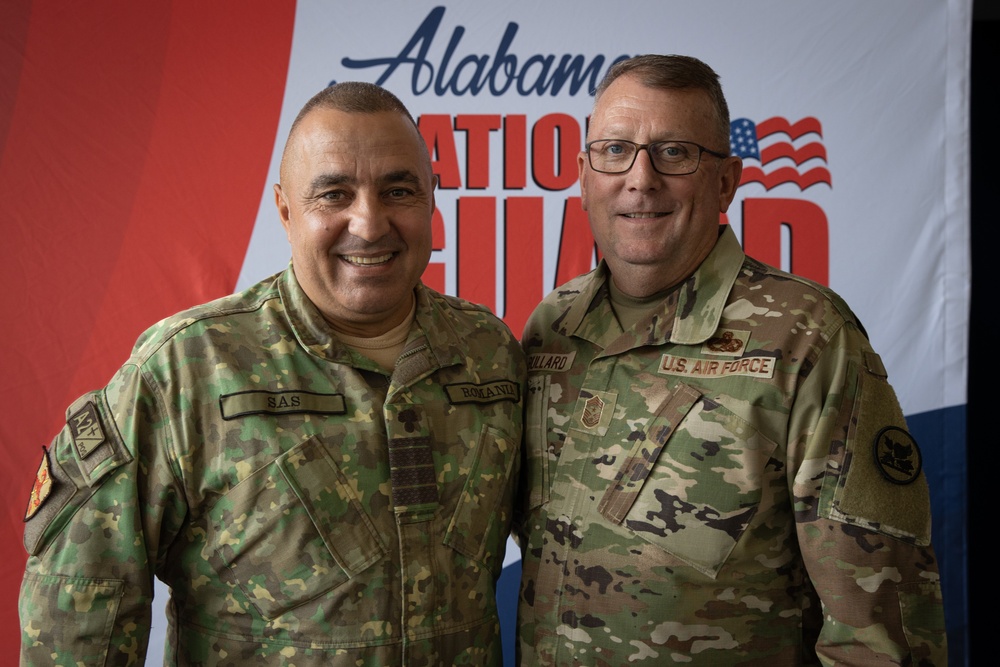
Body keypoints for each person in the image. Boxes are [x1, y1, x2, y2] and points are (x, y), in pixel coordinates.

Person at [20, 81, 525, 666]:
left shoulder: (488, 351)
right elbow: (81, 605)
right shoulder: (188, 367)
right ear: (286, 209)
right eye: (334, 194)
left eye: (398, 190)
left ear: (431, 198)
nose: (369, 221)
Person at [514, 55, 947, 665]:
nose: (640, 178)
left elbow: (879, 630)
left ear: (725, 181)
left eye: (675, 152)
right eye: (615, 150)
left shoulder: (808, 337)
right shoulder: (552, 328)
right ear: (585, 175)